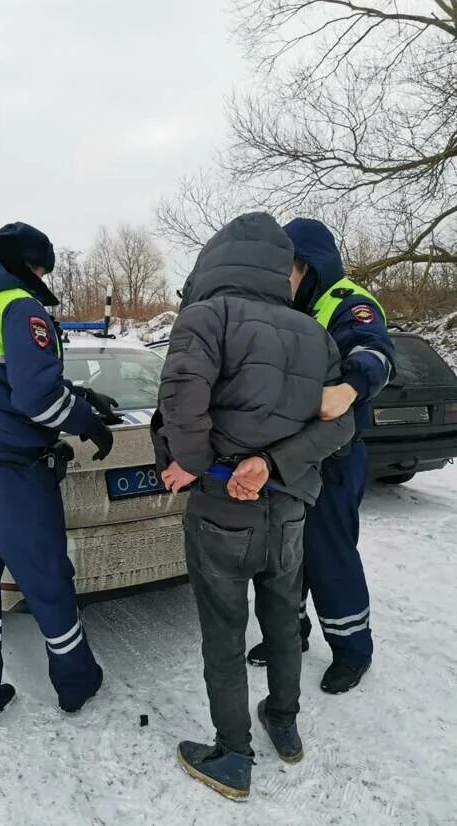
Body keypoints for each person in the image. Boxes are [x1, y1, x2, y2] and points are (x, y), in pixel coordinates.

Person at [152, 212, 355, 800]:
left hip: (222, 509)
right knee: (282, 620)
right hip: (288, 509)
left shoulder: (204, 317)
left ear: (215, 258)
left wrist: (194, 463)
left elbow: (180, 402)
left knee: (224, 631)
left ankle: (233, 755)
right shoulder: (313, 333)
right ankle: (284, 723)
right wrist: (273, 464)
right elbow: (341, 426)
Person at [0, 222, 118, 733]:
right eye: (42, 268)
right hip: (12, 471)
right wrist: (85, 421)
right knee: (47, 578)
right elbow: (35, 397)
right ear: (28, 264)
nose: (44, 277)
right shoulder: (20, 307)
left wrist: (79, 396)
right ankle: (77, 683)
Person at [246, 218, 396, 694]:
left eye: (285, 267)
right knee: (284, 553)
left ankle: (352, 650)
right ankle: (289, 633)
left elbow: (376, 352)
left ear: (308, 265)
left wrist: (350, 386)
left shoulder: (347, 302)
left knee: (329, 554)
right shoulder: (288, 307)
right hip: (290, 454)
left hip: (335, 453)